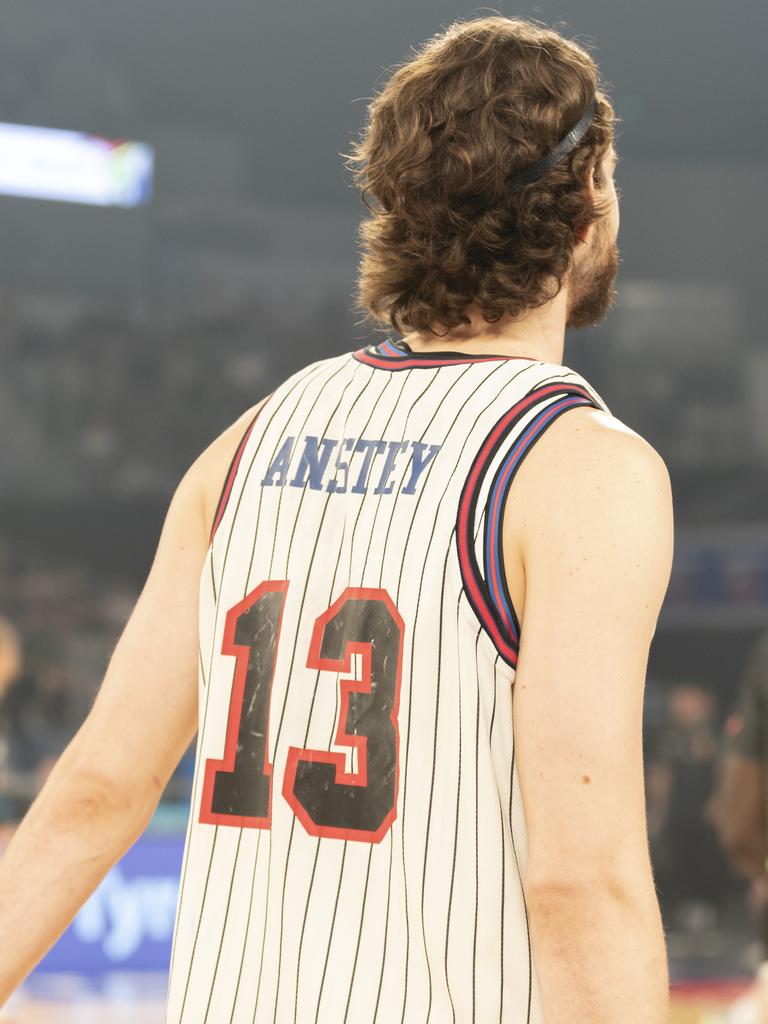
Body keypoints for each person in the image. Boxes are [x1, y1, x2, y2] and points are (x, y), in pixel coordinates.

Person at [0, 16, 672, 1022]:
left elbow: (96, 789)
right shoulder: (583, 471)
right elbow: (581, 882)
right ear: (588, 204)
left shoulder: (248, 438)